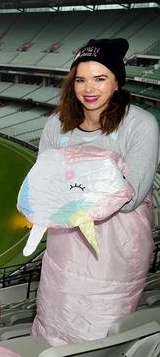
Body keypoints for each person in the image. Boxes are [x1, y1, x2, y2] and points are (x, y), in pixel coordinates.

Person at [32, 38, 160, 345]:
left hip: (118, 250)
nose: (89, 88)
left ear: (117, 82)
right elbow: (41, 188)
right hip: (65, 244)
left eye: (100, 78)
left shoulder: (140, 125)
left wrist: (72, 180)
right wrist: (102, 178)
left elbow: (132, 199)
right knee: (53, 318)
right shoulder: (56, 125)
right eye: (81, 79)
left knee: (99, 333)